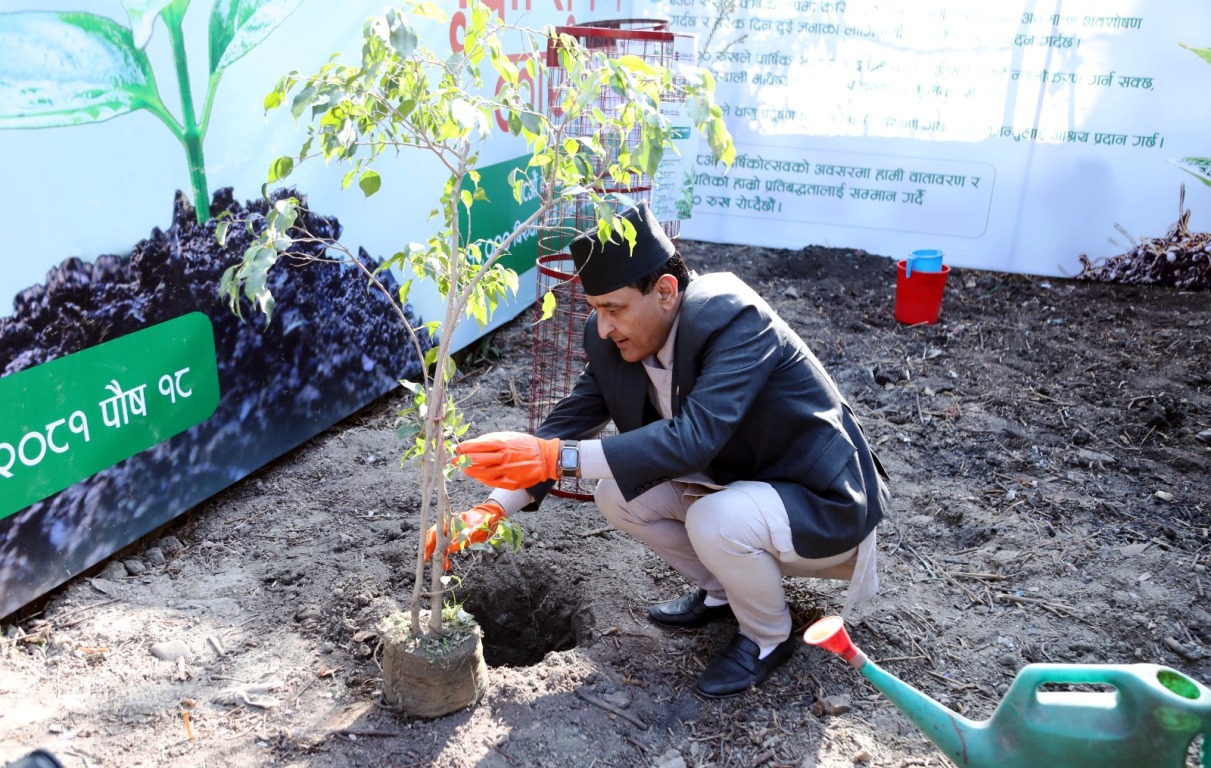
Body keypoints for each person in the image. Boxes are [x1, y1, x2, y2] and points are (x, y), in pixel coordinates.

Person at [433, 201, 889, 698]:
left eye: (614, 308)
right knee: (617, 494)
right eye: (595, 310)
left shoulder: (734, 318)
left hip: (823, 503)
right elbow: (560, 430)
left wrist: (558, 459)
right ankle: (723, 594)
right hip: (740, 486)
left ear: (667, 291)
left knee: (714, 519)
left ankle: (767, 636)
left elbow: (694, 438)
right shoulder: (616, 340)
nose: (604, 327)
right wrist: (493, 507)